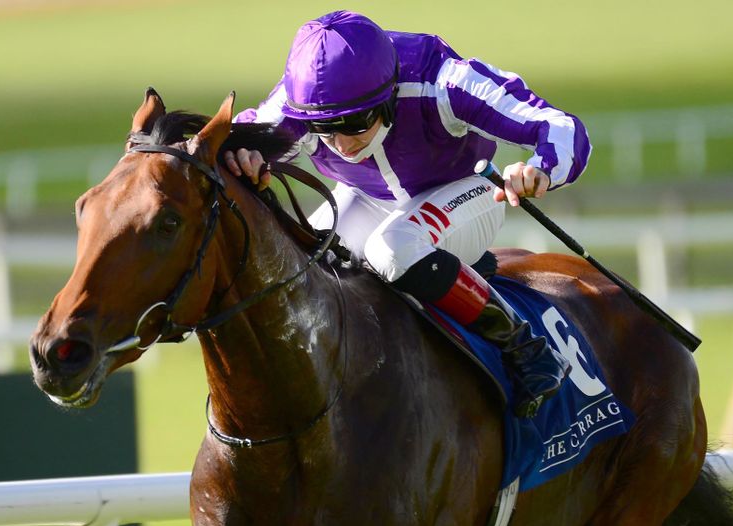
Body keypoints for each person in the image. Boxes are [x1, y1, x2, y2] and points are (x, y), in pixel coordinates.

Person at [222, 10, 591, 418]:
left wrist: (538, 169)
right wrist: (242, 157)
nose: (342, 142)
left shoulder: (444, 81)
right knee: (303, 260)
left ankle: (525, 347)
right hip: (369, 197)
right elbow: (239, 138)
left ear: (391, 95)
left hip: (467, 193)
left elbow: (562, 128)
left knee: (392, 246)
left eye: (357, 122)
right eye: (326, 128)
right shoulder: (299, 104)